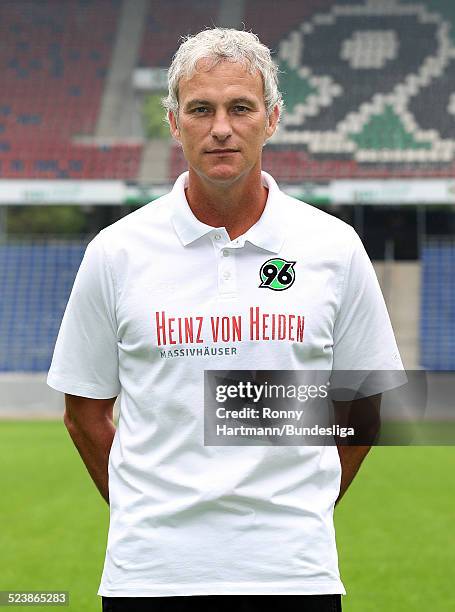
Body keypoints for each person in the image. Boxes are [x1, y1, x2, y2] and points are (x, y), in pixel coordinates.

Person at [47, 27, 403, 612]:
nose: (220, 128)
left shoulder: (334, 248)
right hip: (151, 577)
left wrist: (297, 512)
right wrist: (147, 516)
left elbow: (362, 408)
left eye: (241, 107)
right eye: (200, 109)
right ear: (172, 121)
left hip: (293, 576)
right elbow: (82, 413)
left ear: (272, 118)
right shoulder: (116, 252)